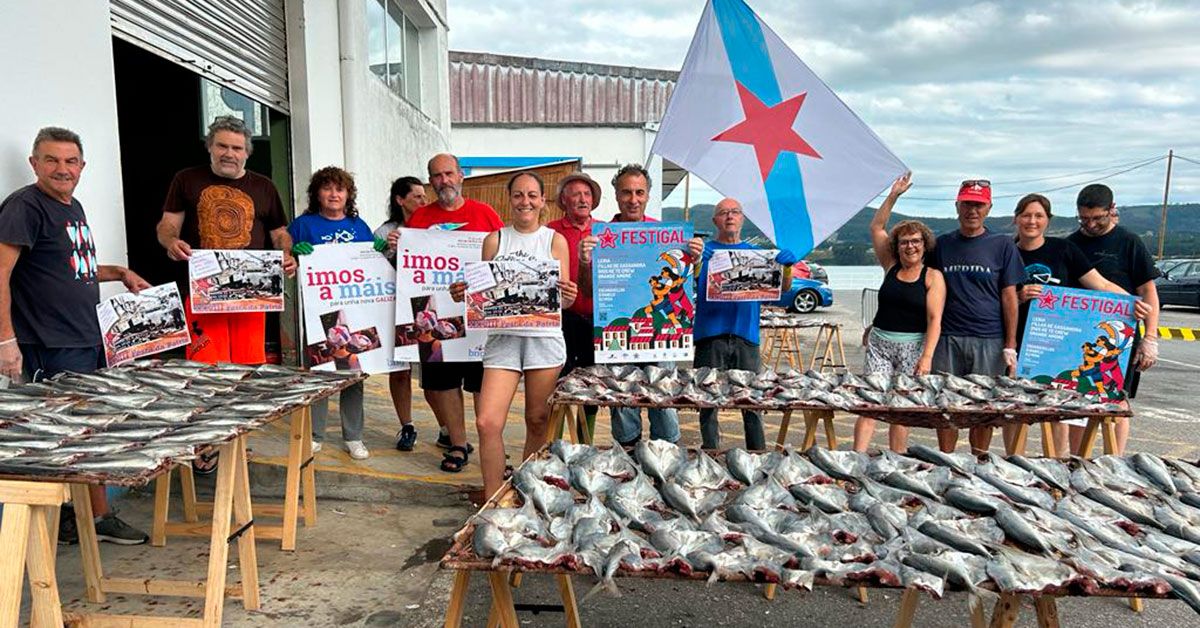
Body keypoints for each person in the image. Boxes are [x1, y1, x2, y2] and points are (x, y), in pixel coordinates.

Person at [0, 127, 151, 544]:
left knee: (94, 425)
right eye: (51, 160)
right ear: (34, 163)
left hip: (86, 336)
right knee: (72, 431)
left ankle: (84, 515)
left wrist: (119, 272)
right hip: (51, 343)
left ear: (82, 167)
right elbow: (1, 273)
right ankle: (81, 521)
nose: (62, 169)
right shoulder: (24, 207)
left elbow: (73, 268)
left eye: (70, 161)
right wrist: (5, 341)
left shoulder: (73, 206)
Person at [449, 171, 577, 497]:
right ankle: (493, 499)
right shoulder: (495, 239)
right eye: (519, 195)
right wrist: (465, 292)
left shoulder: (554, 241)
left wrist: (569, 295)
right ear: (510, 199)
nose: (525, 201)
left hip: (543, 340)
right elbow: (483, 293)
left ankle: (526, 493)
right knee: (487, 422)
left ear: (541, 200)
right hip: (503, 340)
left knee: (537, 419)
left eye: (532, 195)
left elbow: (562, 297)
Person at [1009, 193, 1151, 455]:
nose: (1032, 221)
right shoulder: (1006, 251)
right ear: (1016, 218)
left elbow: (1101, 285)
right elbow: (993, 299)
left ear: (1047, 220)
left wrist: (1132, 303)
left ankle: (1060, 461)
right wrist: (1019, 297)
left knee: (1059, 407)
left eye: (1039, 215)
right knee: (1021, 410)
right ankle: (1020, 460)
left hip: (1057, 341)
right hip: (1019, 342)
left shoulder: (1064, 249)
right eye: (1026, 215)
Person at [156, 115, 298, 365]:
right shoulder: (186, 180)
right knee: (206, 368)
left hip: (252, 294)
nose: (229, 153)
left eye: (237, 148)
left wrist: (286, 254)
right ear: (210, 146)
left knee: (250, 368)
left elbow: (280, 233)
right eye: (222, 145)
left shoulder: (265, 187)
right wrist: (171, 242)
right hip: (203, 293)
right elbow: (167, 225)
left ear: (247, 153)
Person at [579, 164, 701, 447]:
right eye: (626, 192)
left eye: (639, 192)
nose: (633, 199)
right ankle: (628, 456)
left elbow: (686, 287)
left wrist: (695, 259)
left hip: (663, 336)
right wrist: (585, 262)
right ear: (616, 195)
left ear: (647, 196)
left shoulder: (668, 235)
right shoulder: (601, 237)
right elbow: (587, 291)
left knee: (664, 398)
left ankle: (666, 456)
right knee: (623, 404)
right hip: (619, 335)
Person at [398, 154, 503, 471]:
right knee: (443, 384)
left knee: (481, 384)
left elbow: (500, 258)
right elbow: (408, 264)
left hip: (478, 315)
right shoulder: (418, 220)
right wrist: (397, 244)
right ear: (431, 182)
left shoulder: (485, 214)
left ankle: (489, 445)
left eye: (448, 174)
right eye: (437, 176)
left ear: (461, 176)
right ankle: (458, 444)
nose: (444, 180)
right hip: (434, 312)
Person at [289, 166, 388, 460]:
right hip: (320, 310)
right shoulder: (303, 225)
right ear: (317, 193)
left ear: (348, 195)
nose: (334, 194)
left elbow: (373, 266)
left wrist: (378, 250)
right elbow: (286, 259)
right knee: (320, 371)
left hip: (356, 310)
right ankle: (316, 435)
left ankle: (353, 437)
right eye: (327, 188)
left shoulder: (360, 226)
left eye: (340, 189)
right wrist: (294, 250)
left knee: (354, 372)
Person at [927, 179, 1024, 454]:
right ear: (957, 205)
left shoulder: (1002, 245)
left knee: (983, 409)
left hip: (989, 339)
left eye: (979, 205)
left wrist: (1010, 343)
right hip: (947, 337)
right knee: (947, 406)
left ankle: (978, 462)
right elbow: (925, 288)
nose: (973, 210)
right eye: (967, 203)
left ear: (989, 208)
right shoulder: (941, 245)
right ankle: (947, 460)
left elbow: (1009, 297)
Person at [695, 198, 796, 451]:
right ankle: (710, 454)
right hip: (711, 336)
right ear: (715, 220)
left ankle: (758, 454)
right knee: (707, 402)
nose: (729, 216)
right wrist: (695, 261)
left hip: (746, 336)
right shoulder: (703, 253)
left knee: (752, 402)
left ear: (742, 218)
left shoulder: (759, 256)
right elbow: (686, 287)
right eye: (723, 213)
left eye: (735, 212)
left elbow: (782, 289)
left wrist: (787, 267)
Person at [853, 174, 944, 453]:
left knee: (900, 406)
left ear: (924, 243)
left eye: (915, 241)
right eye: (904, 241)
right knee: (871, 402)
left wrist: (927, 357)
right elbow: (876, 226)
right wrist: (893, 195)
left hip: (912, 346)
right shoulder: (891, 265)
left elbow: (934, 320)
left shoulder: (932, 276)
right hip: (880, 344)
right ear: (898, 245)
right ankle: (856, 456)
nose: (910, 246)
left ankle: (897, 458)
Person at [1067, 184, 1160, 455]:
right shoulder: (1072, 243)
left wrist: (1150, 338)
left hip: (1123, 335)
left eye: (1097, 218)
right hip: (1082, 334)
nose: (1091, 224)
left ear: (1112, 209)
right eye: (1084, 219)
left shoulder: (1129, 242)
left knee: (1117, 400)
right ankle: (1077, 458)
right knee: (1076, 399)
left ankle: (1115, 460)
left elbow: (1147, 291)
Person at [547, 172, 602, 441]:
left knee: (593, 385)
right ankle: (553, 441)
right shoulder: (549, 231)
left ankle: (585, 442)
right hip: (562, 318)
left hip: (598, 319)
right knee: (557, 380)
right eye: (576, 194)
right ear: (563, 200)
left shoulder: (605, 230)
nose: (582, 199)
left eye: (587, 194)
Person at [375, 176, 424, 451]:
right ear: (400, 200)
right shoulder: (385, 232)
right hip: (396, 310)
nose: (423, 201)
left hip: (428, 308)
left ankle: (446, 427)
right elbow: (373, 270)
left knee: (435, 372)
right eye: (416, 196)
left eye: (423, 196)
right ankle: (407, 426)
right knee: (401, 371)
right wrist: (390, 250)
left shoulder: (435, 228)